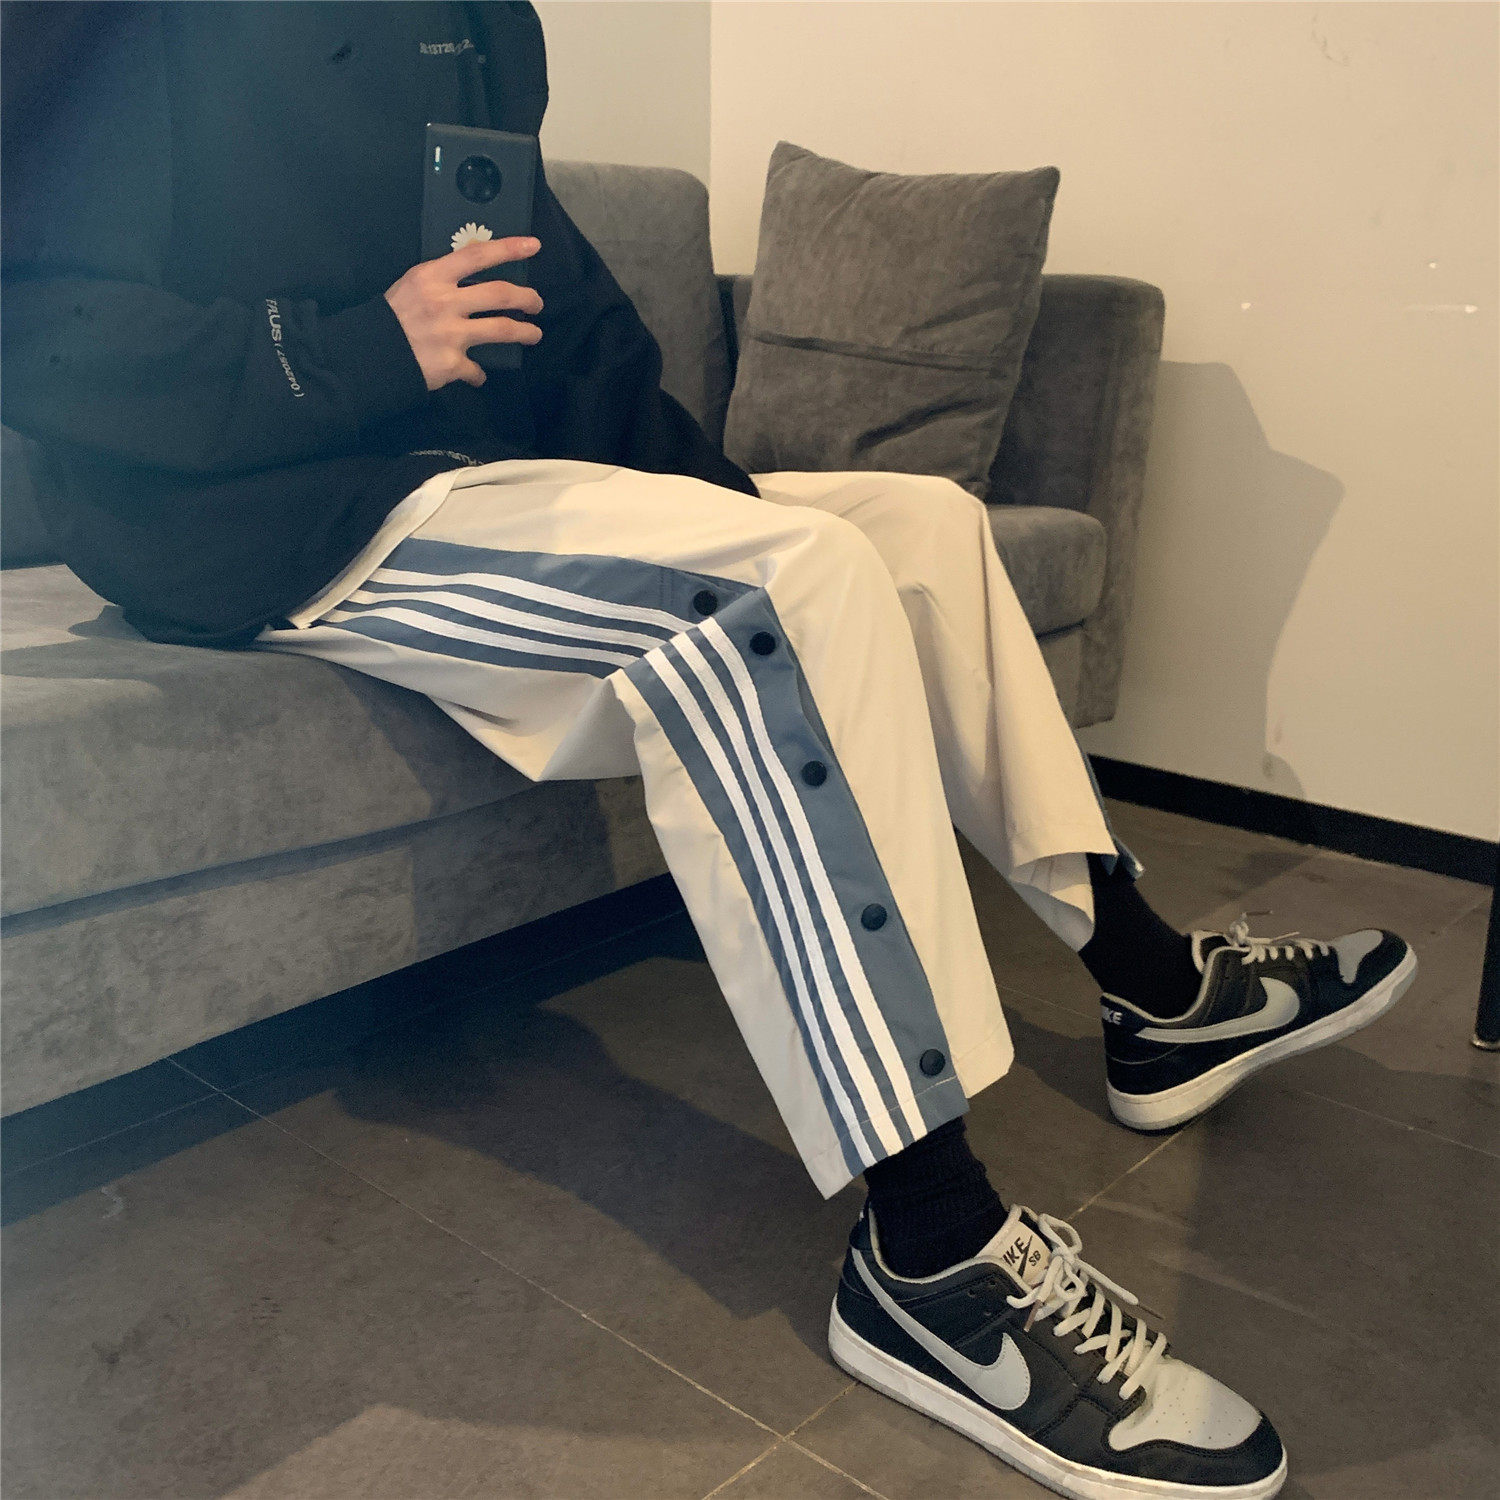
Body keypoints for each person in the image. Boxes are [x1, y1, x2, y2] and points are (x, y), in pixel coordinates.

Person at [1, 5, 1415, 1497]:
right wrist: (360, 350)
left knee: (915, 529)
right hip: (257, 519)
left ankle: (1153, 988)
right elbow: (37, 322)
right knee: (771, 598)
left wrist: (730, 506)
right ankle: (931, 1256)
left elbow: (561, 317)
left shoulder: (474, 20)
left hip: (464, 469)